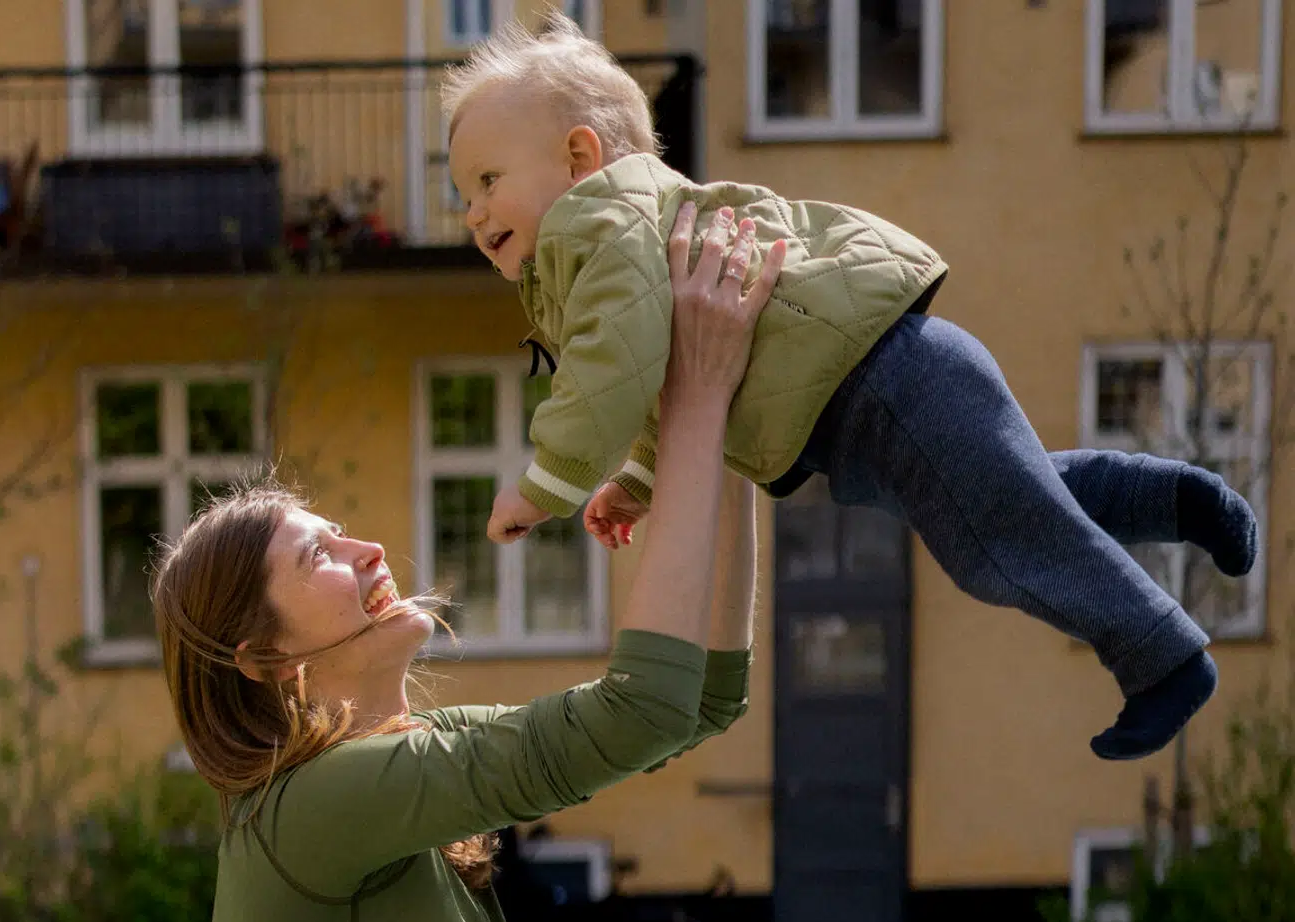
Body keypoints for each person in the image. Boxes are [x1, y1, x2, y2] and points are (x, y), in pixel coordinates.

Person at [441, 13, 1258, 763]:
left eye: (486, 181)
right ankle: (1179, 502)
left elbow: (609, 366)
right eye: (462, 195)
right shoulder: (625, 237)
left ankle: (1162, 659)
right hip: (888, 388)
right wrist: (642, 480)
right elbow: (659, 374)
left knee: (993, 550)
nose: (473, 214)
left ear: (580, 159)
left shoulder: (602, 230)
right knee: (1023, 499)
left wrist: (546, 483)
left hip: (881, 387)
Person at [151, 209, 784, 922]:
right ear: (264, 659)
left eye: (339, 530)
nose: (369, 548)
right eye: (317, 556)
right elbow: (642, 708)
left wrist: (728, 434)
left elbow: (696, 702)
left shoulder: (403, 759)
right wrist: (698, 397)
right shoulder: (312, 806)